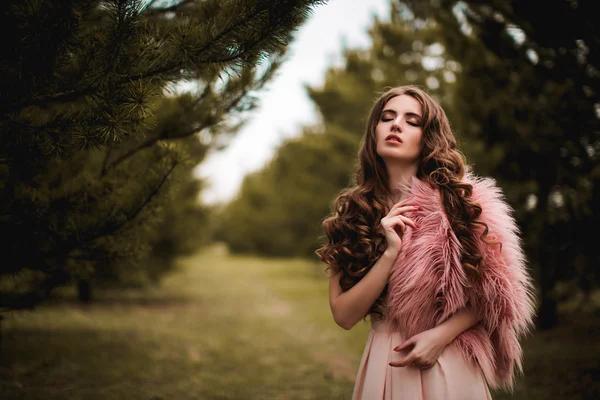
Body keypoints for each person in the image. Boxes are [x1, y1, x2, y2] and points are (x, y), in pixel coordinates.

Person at [315, 85, 537, 399]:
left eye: (412, 121)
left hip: (446, 359)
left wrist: (439, 337)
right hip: (384, 359)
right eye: (387, 118)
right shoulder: (353, 214)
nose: (396, 125)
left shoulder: (461, 205)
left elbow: (498, 295)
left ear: (427, 136)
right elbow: (344, 315)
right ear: (374, 132)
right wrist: (390, 252)